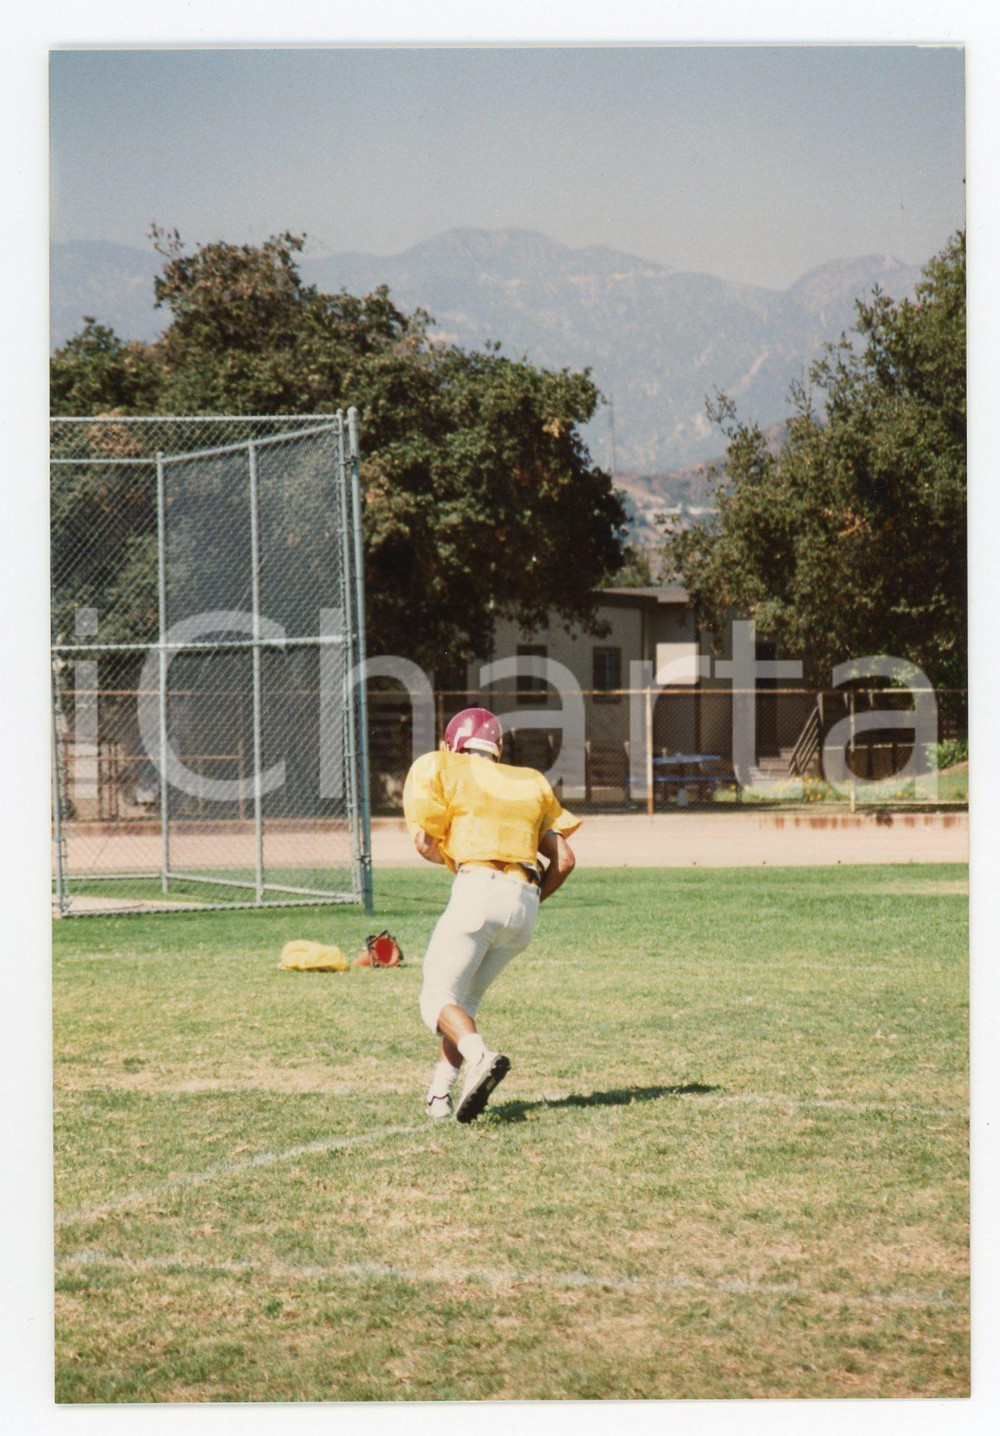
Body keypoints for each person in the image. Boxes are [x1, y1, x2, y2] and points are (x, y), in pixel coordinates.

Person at [403, 707, 580, 1123]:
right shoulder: (530, 781)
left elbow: (426, 843)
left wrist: (449, 849)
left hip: (477, 890)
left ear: (454, 745)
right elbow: (566, 859)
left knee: (435, 999)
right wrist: (531, 898)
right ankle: (439, 1096)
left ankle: (480, 1056)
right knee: (463, 1000)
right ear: (497, 749)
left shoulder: (447, 767)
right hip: (525, 905)